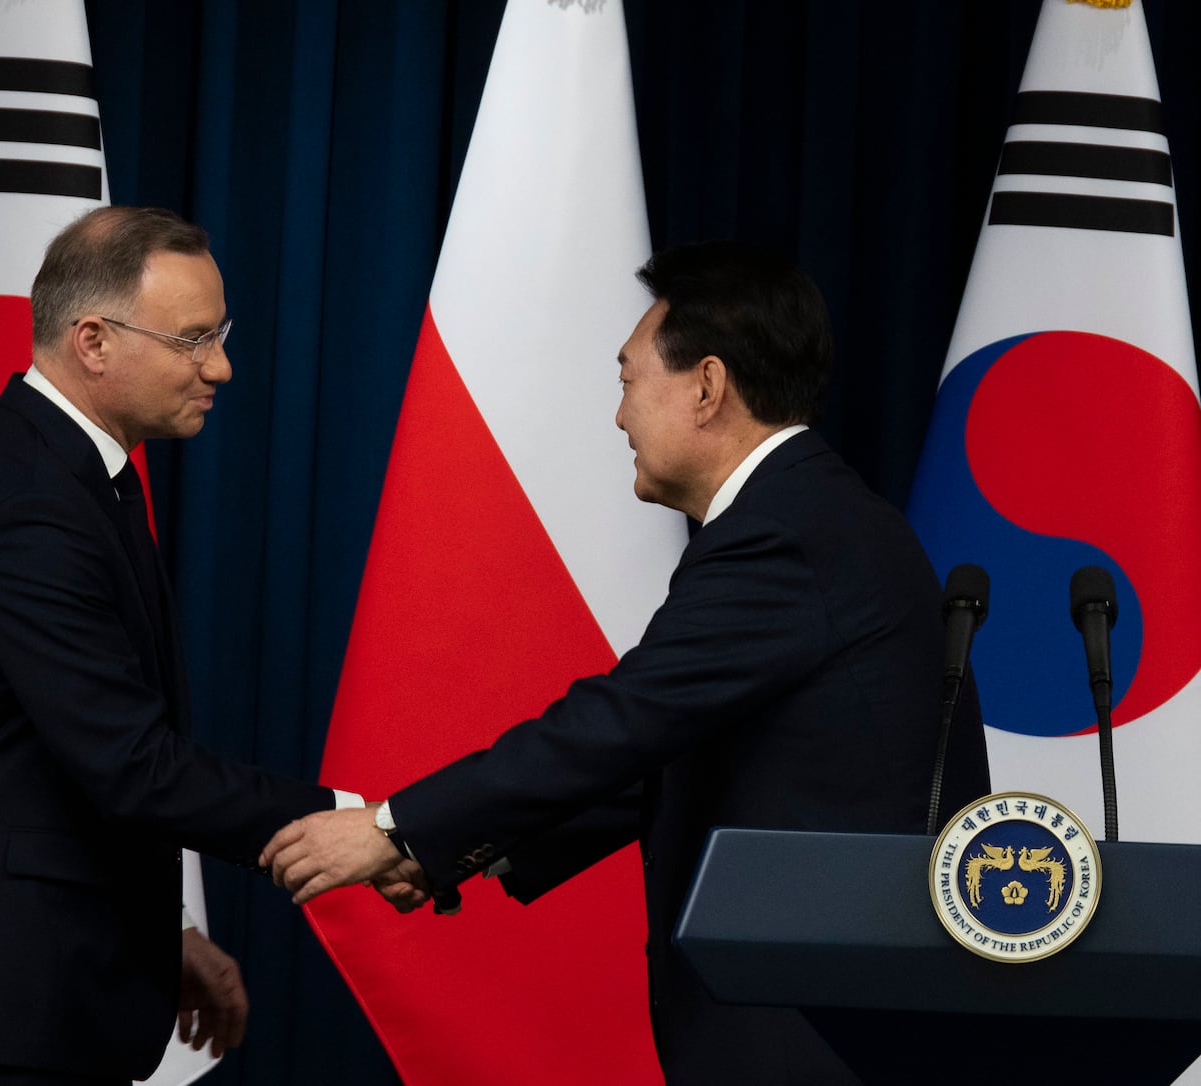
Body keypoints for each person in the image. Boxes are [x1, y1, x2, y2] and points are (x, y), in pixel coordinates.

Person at [264, 242, 990, 1083]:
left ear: (707, 387)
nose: (619, 417)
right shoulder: (809, 514)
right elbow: (672, 752)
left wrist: (394, 826)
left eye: (627, 380)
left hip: (815, 1023)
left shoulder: (785, 533)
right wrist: (449, 850)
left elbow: (622, 722)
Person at [0, 206, 358, 1085]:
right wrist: (350, 823)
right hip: (7, 1012)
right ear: (92, 340)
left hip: (51, 986)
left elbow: (53, 771)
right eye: (193, 340)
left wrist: (159, 932)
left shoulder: (73, 471)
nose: (221, 366)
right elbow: (130, 764)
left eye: (222, 334)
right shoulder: (31, 503)